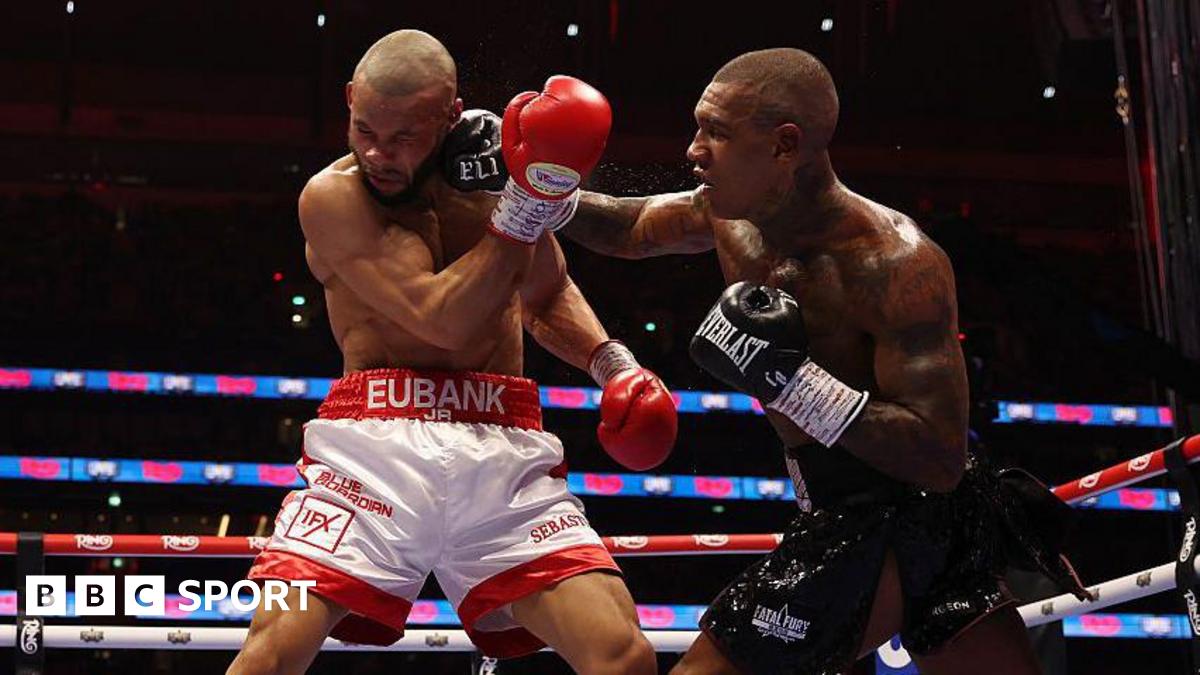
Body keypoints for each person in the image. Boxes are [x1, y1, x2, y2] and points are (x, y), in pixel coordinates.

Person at [561, 48, 1088, 675]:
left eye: (718, 133)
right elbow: (633, 226)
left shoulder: (896, 264)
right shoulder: (732, 217)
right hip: (847, 509)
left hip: (906, 516)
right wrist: (532, 192)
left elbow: (940, 457)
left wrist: (792, 383)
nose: (694, 149)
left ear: (785, 146)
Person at [227, 30, 676, 675]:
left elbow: (545, 295)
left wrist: (614, 365)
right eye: (364, 129)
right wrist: (526, 203)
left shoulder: (490, 180)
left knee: (622, 656)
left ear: (449, 116)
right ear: (349, 100)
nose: (379, 152)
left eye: (405, 136)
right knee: (273, 651)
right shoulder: (333, 198)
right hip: (373, 450)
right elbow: (441, 321)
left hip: (503, 446)